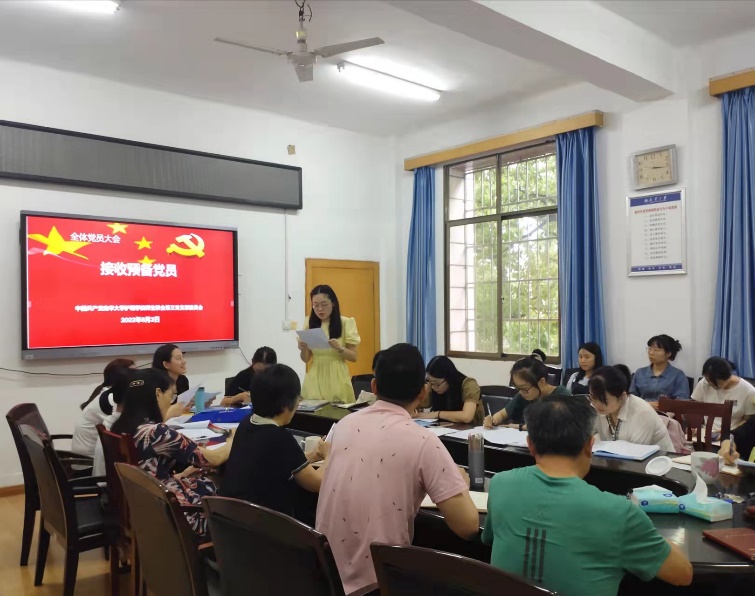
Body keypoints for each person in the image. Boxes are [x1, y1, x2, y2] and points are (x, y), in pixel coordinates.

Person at [482, 394, 693, 596]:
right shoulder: (619, 513)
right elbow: (683, 574)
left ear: (530, 445)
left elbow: (489, 539)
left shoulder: (501, 484)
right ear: (590, 446)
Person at [316, 344, 480, 594]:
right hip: (376, 585)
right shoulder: (422, 440)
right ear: (423, 392)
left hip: (324, 578)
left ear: (373, 387)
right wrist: (460, 483)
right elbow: (467, 526)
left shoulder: (344, 425)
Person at [111, 368, 232, 536]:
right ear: (158, 393)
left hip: (143, 506)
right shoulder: (156, 433)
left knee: (204, 480)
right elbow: (213, 459)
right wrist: (233, 439)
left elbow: (147, 469)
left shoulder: (120, 427)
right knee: (226, 496)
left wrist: (182, 474)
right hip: (170, 516)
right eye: (171, 396)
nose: (171, 402)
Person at [221, 364, 329, 521]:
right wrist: (329, 456)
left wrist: (313, 455)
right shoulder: (280, 437)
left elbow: (283, 461)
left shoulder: (247, 423)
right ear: (286, 404)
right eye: (298, 399)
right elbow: (317, 484)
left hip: (231, 521)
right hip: (263, 527)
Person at [298, 285, 360, 403]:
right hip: (315, 374)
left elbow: (354, 357)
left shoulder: (346, 322)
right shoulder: (309, 322)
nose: (320, 309)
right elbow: (306, 359)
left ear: (333, 303)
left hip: (337, 375)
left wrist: (340, 348)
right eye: (316, 305)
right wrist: (303, 349)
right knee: (312, 410)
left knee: (337, 409)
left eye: (324, 304)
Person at [589, 366, 674, 452]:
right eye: (593, 398)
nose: (597, 404)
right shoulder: (595, 408)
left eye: (604, 400)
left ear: (622, 396)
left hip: (658, 458)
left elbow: (635, 453)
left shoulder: (642, 412)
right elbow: (587, 436)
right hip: (614, 458)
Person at [484, 357, 571, 430]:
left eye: (524, 389)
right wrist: (493, 420)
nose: (521, 392)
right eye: (518, 388)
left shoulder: (562, 395)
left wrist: (519, 427)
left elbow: (556, 427)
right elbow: (502, 414)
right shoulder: (524, 394)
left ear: (542, 382)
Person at [72, 358, 134, 457]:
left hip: (91, 454)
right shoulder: (111, 398)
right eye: (133, 374)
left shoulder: (105, 391)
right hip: (88, 459)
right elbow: (123, 428)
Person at [692, 357, 755, 436]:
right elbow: (696, 409)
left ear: (728, 378)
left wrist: (729, 432)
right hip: (705, 432)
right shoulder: (704, 383)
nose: (710, 384)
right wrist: (695, 426)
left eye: (716, 384)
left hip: (733, 434)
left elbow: (747, 422)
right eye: (708, 380)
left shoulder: (749, 391)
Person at [418, 356, 483, 425]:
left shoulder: (468, 384)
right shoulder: (431, 385)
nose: (433, 387)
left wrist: (437, 414)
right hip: (443, 428)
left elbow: (467, 417)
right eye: (430, 382)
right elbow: (417, 404)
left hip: (469, 429)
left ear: (449, 378)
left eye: (436, 383)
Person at [629, 335, 689, 406]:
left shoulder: (678, 375)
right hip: (641, 410)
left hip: (666, 412)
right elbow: (631, 399)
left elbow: (681, 401)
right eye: (649, 349)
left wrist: (662, 406)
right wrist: (647, 405)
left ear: (668, 353)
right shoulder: (640, 373)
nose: (651, 353)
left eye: (656, 350)